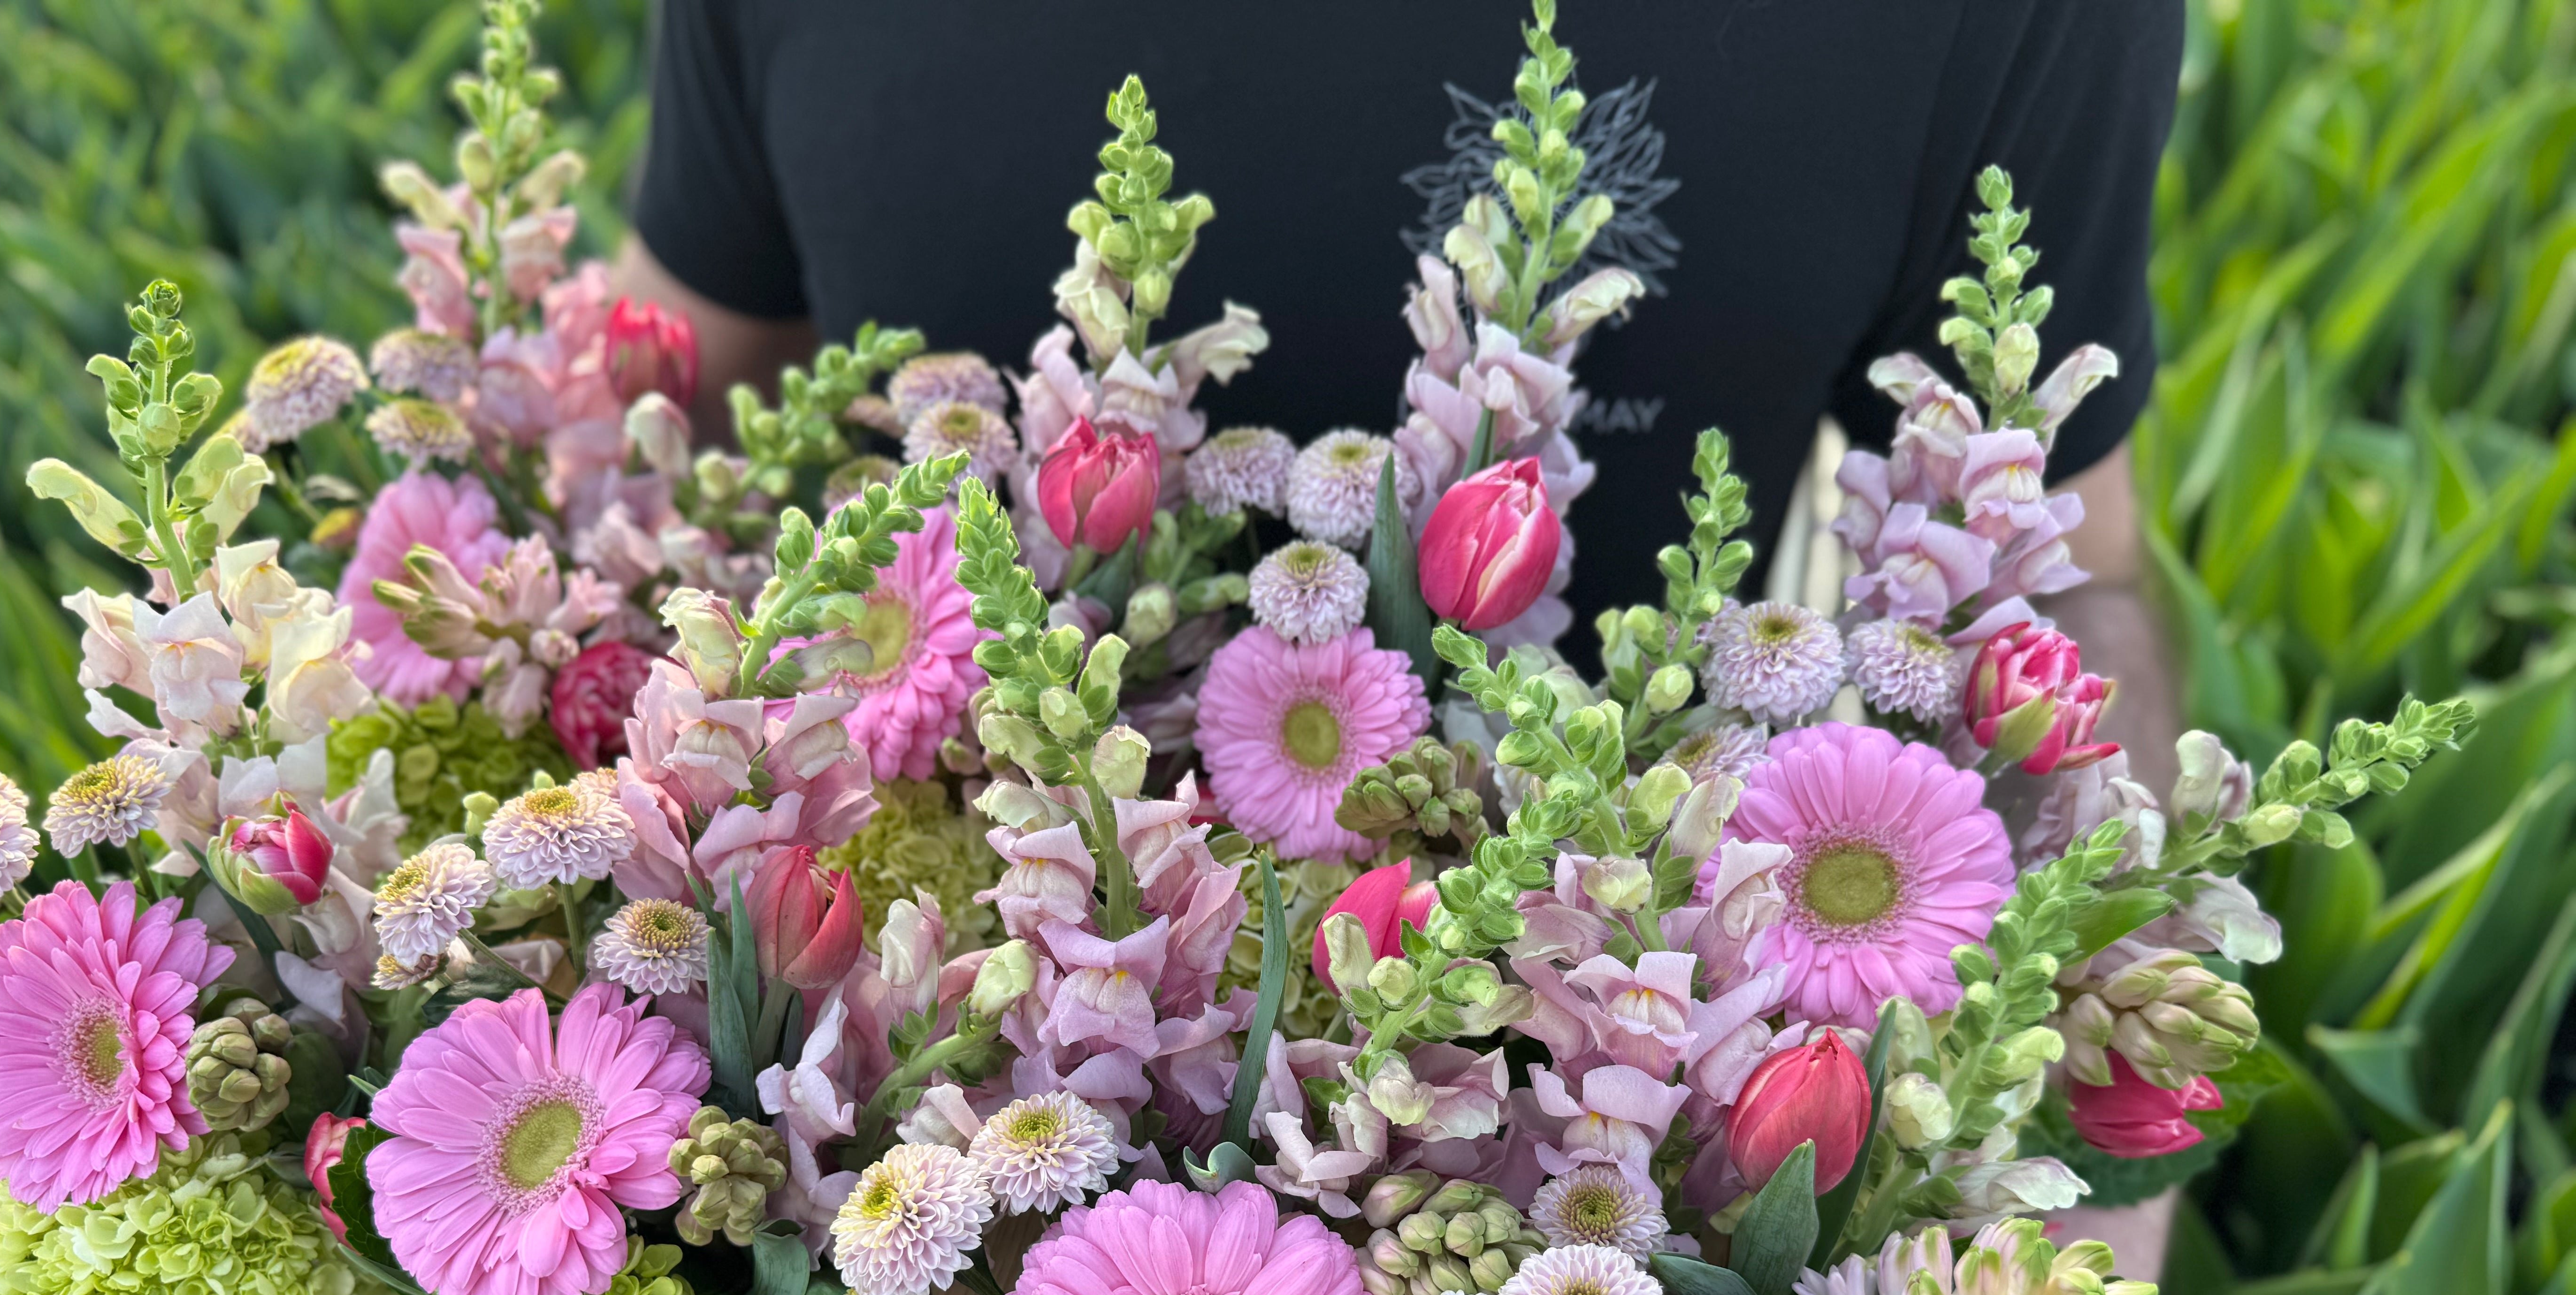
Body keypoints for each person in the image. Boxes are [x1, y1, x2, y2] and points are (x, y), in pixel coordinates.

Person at [613, 0, 2186, 780]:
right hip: (869, 1118)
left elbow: (2076, 583)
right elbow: (651, 431)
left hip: (1578, 1188)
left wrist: (2071, 1166)